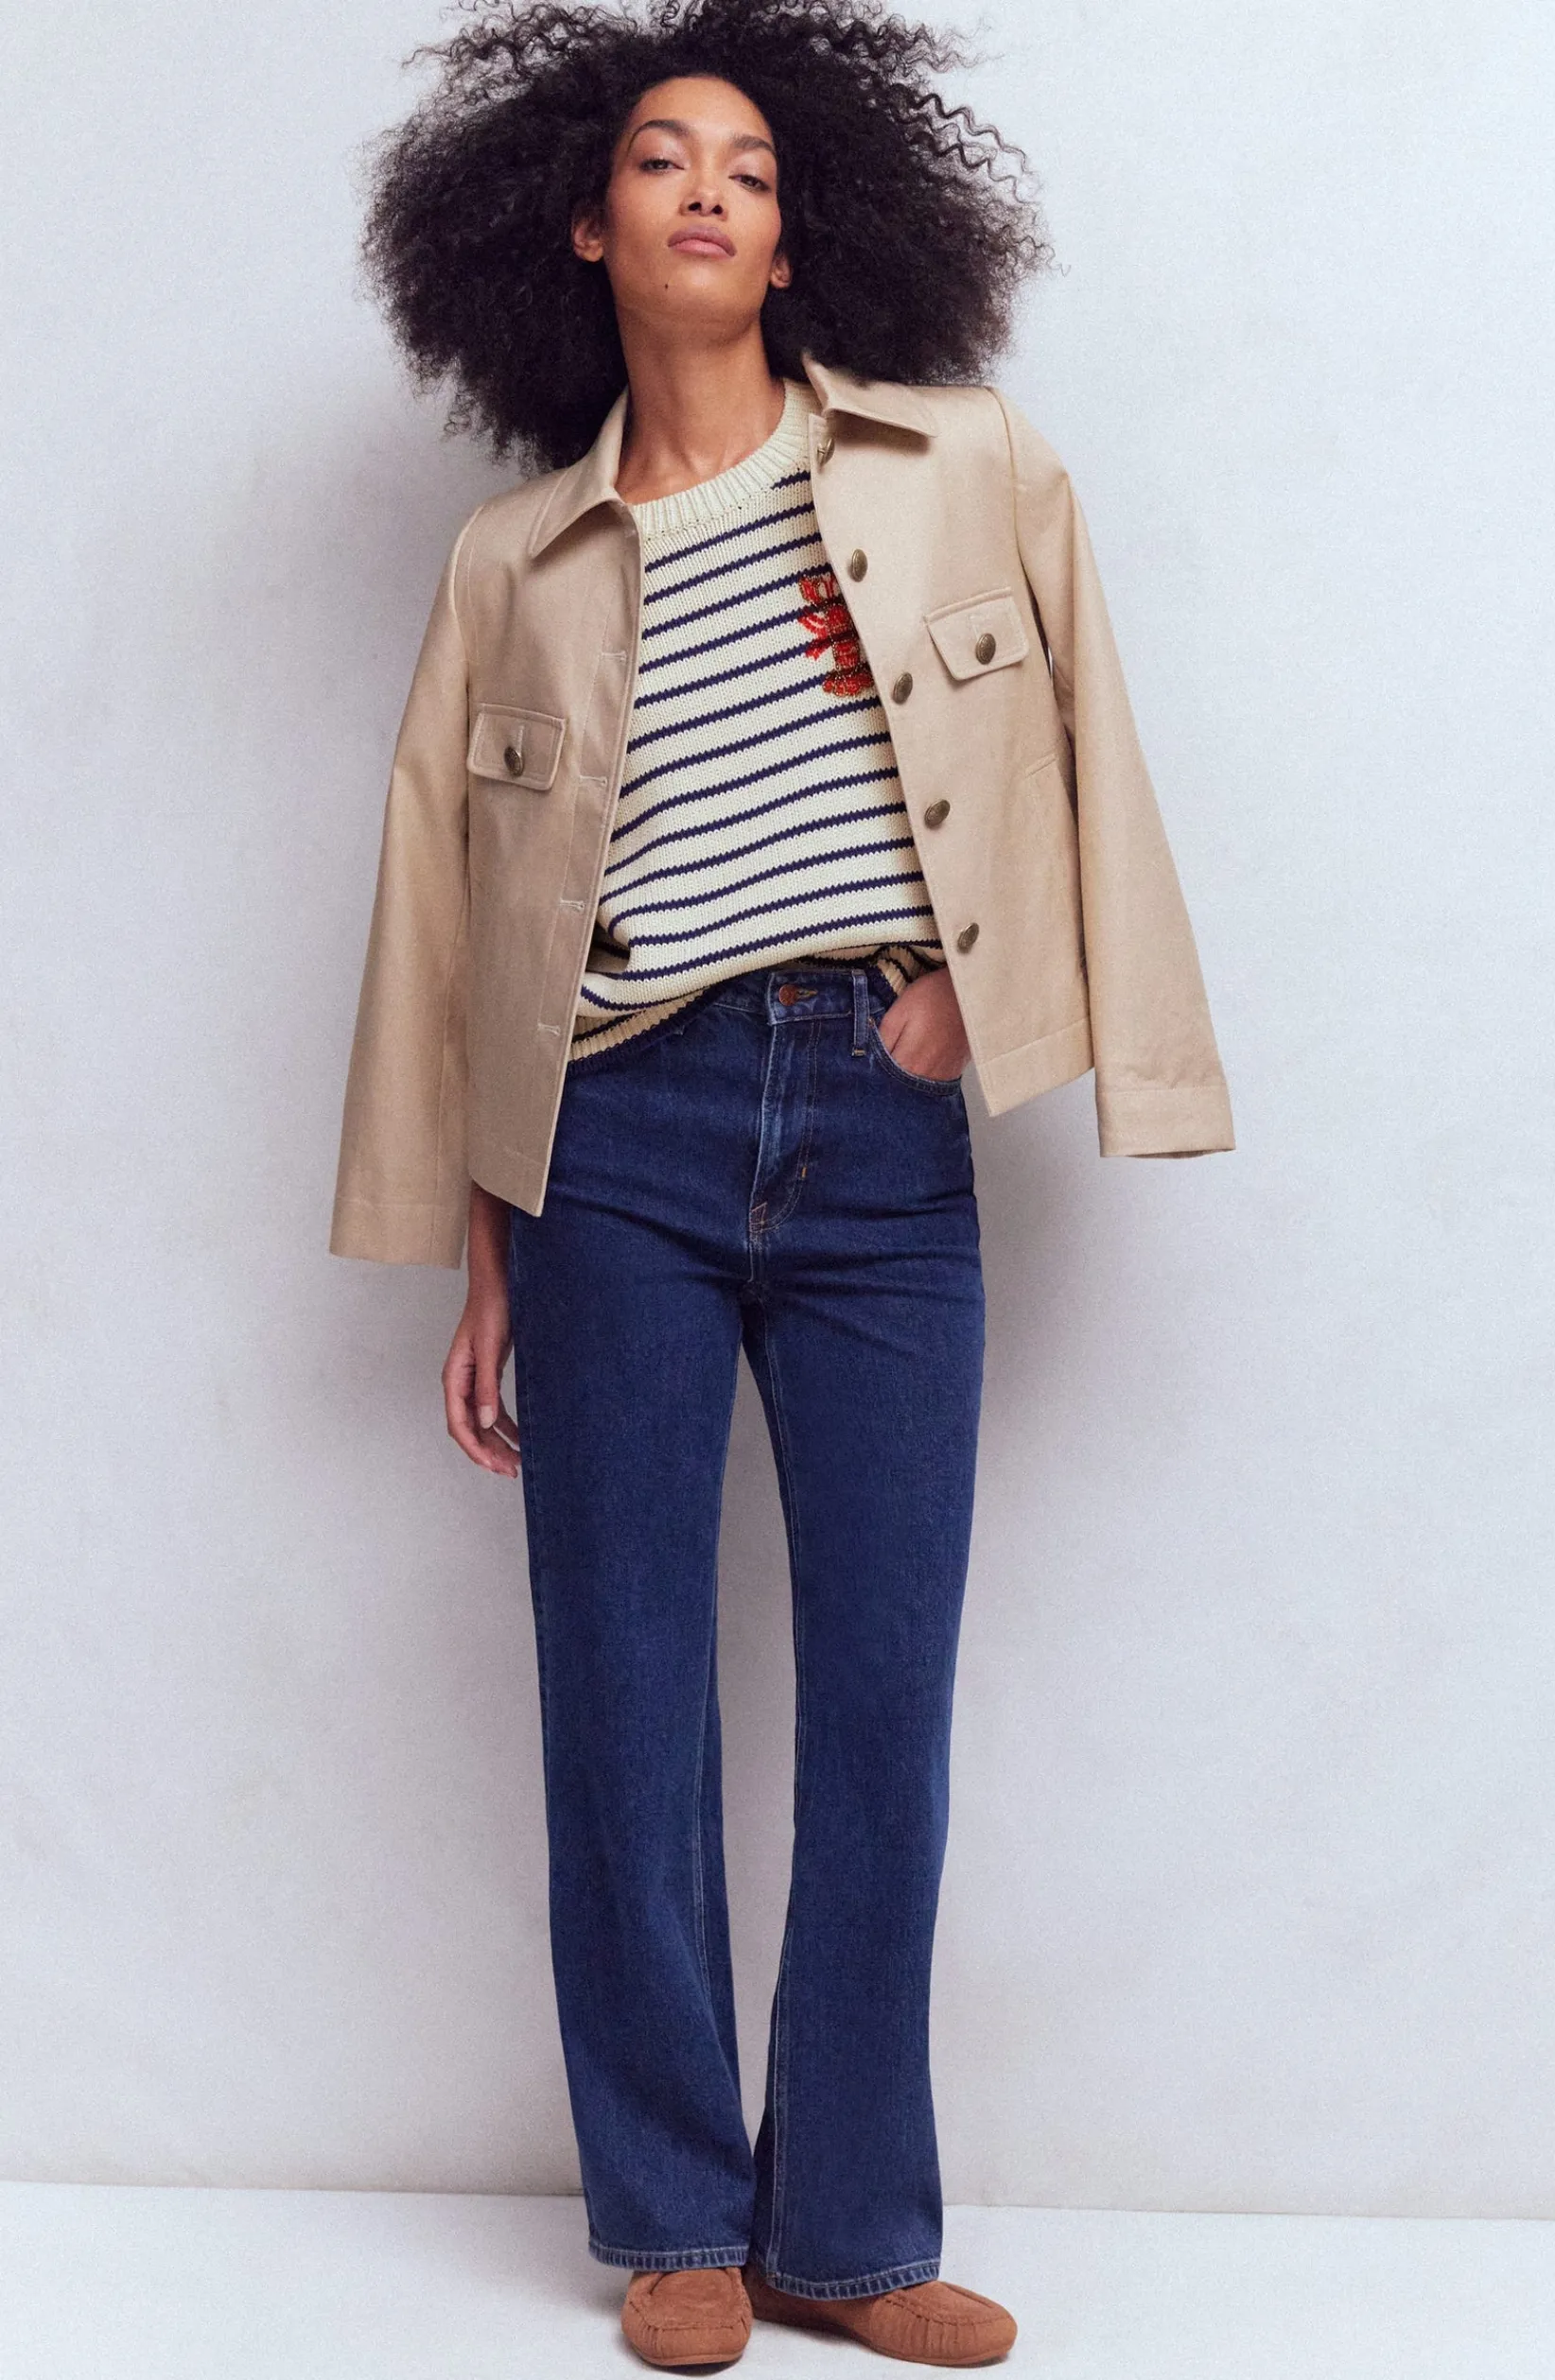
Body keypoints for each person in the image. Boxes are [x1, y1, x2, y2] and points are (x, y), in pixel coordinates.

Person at [332, 1, 1234, 2366]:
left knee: (881, 1697)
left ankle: (846, 2230)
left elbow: (1082, 750)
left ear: (802, 228)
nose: (708, 188)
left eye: (745, 161)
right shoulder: (515, 562)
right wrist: (483, 1257)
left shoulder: (963, 465)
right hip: (610, 1142)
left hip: (876, 1135)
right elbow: (453, 929)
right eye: (661, 157)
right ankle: (673, 2220)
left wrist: (982, 1010)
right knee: (622, 1693)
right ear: (580, 228)